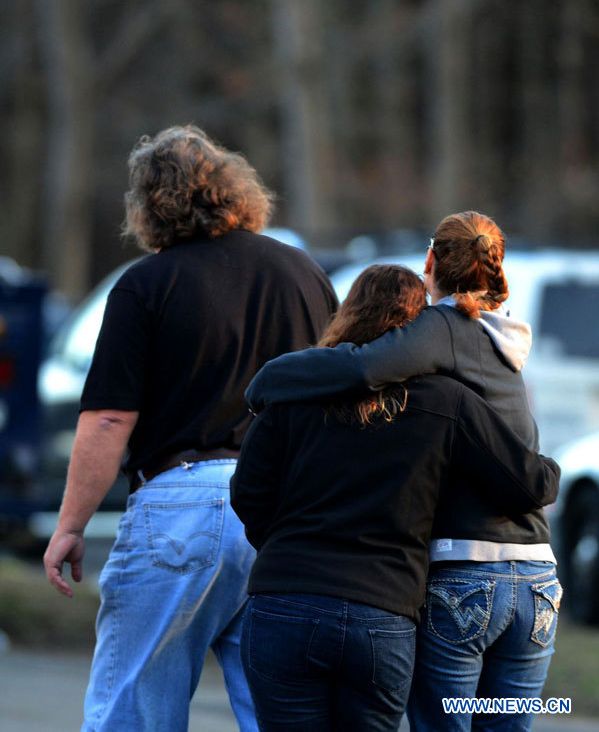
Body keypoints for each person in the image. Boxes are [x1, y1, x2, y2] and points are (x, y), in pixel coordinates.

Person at [43, 125, 338, 732]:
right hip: (290, 513)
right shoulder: (305, 276)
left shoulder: (146, 285)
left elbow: (107, 417)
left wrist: (71, 524)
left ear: (150, 205)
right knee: (281, 715)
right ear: (237, 191)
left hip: (184, 506)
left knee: (136, 709)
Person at [245, 212, 562, 731]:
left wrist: (267, 381)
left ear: (432, 261)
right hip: (536, 581)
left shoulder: (441, 329)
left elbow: (363, 369)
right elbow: (526, 473)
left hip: (466, 576)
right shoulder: (506, 343)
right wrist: (547, 471)